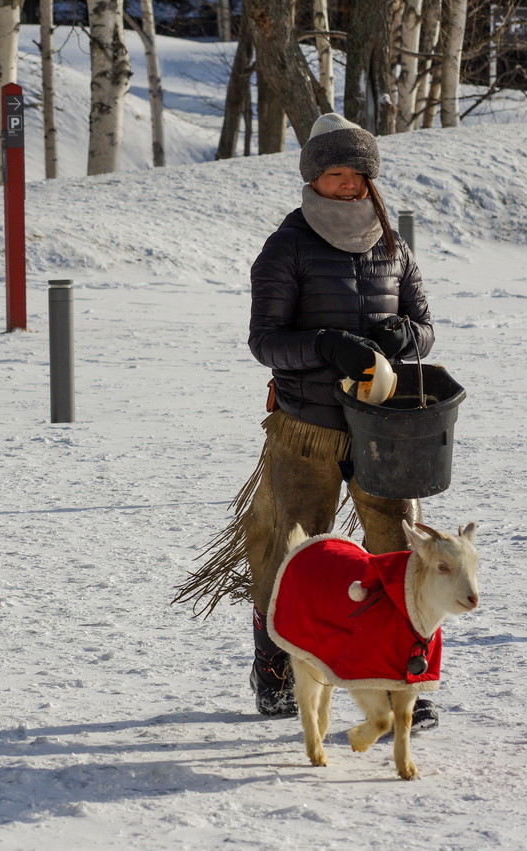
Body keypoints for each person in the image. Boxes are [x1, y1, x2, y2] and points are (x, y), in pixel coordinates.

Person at [176, 113, 436, 720]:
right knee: (289, 546)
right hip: (306, 427)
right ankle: (274, 666)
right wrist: (322, 345)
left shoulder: (392, 243)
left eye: (357, 175)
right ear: (313, 178)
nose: (346, 185)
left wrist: (406, 336)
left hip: (382, 425)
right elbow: (265, 341)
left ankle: (401, 675)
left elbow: (425, 330)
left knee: (399, 548)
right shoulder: (286, 246)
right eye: (334, 174)